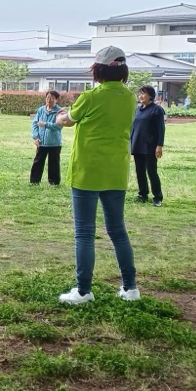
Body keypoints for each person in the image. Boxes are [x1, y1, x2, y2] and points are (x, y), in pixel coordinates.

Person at [55, 46, 139, 304]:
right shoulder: (130, 98)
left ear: (98, 70)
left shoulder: (90, 97)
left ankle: (83, 290)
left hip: (87, 171)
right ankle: (130, 287)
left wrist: (58, 118)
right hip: (116, 170)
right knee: (117, 231)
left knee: (84, 232)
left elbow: (67, 120)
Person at [130, 85, 166, 206]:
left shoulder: (157, 110)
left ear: (150, 96)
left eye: (143, 93)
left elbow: (161, 129)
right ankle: (142, 194)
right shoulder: (137, 109)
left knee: (151, 171)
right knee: (139, 171)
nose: (141, 96)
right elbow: (134, 128)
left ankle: (157, 197)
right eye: (139, 93)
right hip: (137, 144)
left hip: (150, 146)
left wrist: (159, 145)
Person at [30, 90, 63, 186]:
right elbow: (35, 124)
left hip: (54, 143)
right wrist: (36, 137)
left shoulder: (60, 111)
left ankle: (54, 182)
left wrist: (45, 124)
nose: (49, 100)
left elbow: (59, 126)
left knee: (54, 163)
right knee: (38, 162)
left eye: (52, 98)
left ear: (56, 100)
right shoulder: (41, 110)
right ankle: (34, 181)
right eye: (48, 97)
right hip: (41, 142)